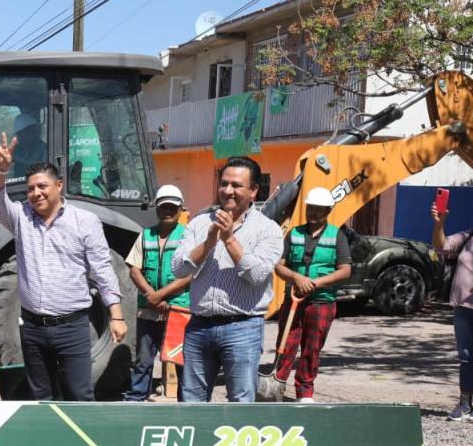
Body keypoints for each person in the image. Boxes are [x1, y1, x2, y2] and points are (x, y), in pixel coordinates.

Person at [0, 132, 126, 401]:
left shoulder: (85, 221)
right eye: (29, 189)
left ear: (59, 186)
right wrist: (0, 170)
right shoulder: (20, 219)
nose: (35, 193)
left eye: (41, 186)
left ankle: (81, 443)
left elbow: (103, 270)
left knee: (80, 396)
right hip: (33, 328)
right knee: (41, 397)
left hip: (72, 328)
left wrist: (116, 316)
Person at [171, 156, 283, 402]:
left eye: (236, 185)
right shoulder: (199, 223)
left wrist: (229, 239)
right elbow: (178, 269)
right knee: (191, 401)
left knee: (241, 403)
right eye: (223, 184)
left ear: (253, 190)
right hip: (199, 327)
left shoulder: (269, 230)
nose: (227, 191)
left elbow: (256, 275)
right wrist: (209, 241)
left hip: (242, 327)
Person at [272, 187, 352, 402]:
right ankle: (275, 386)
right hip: (294, 300)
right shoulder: (294, 233)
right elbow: (279, 266)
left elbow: (345, 270)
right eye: (311, 208)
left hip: (322, 302)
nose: (313, 213)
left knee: (312, 347)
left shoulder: (338, 235)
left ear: (328, 210)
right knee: (285, 344)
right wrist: (297, 279)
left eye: (319, 209)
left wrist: (315, 283)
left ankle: (304, 392)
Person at [124, 185, 192, 402]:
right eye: (164, 207)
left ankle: (186, 403)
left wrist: (160, 296)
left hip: (178, 311)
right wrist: (151, 295)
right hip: (149, 311)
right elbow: (134, 268)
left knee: (181, 360)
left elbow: (192, 273)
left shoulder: (189, 236)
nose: (168, 211)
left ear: (181, 209)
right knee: (143, 360)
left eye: (173, 207)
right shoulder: (146, 235)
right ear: (157, 209)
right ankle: (136, 399)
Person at [432, 201, 473, 420]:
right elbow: (442, 246)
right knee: (466, 357)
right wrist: (439, 224)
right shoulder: (469, 235)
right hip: (463, 305)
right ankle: (465, 404)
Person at [10, 113, 47, 178]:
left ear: (36, 132)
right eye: (19, 134)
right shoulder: (17, 150)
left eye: (28, 132)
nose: (21, 137)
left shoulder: (45, 149)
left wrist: (21, 160)